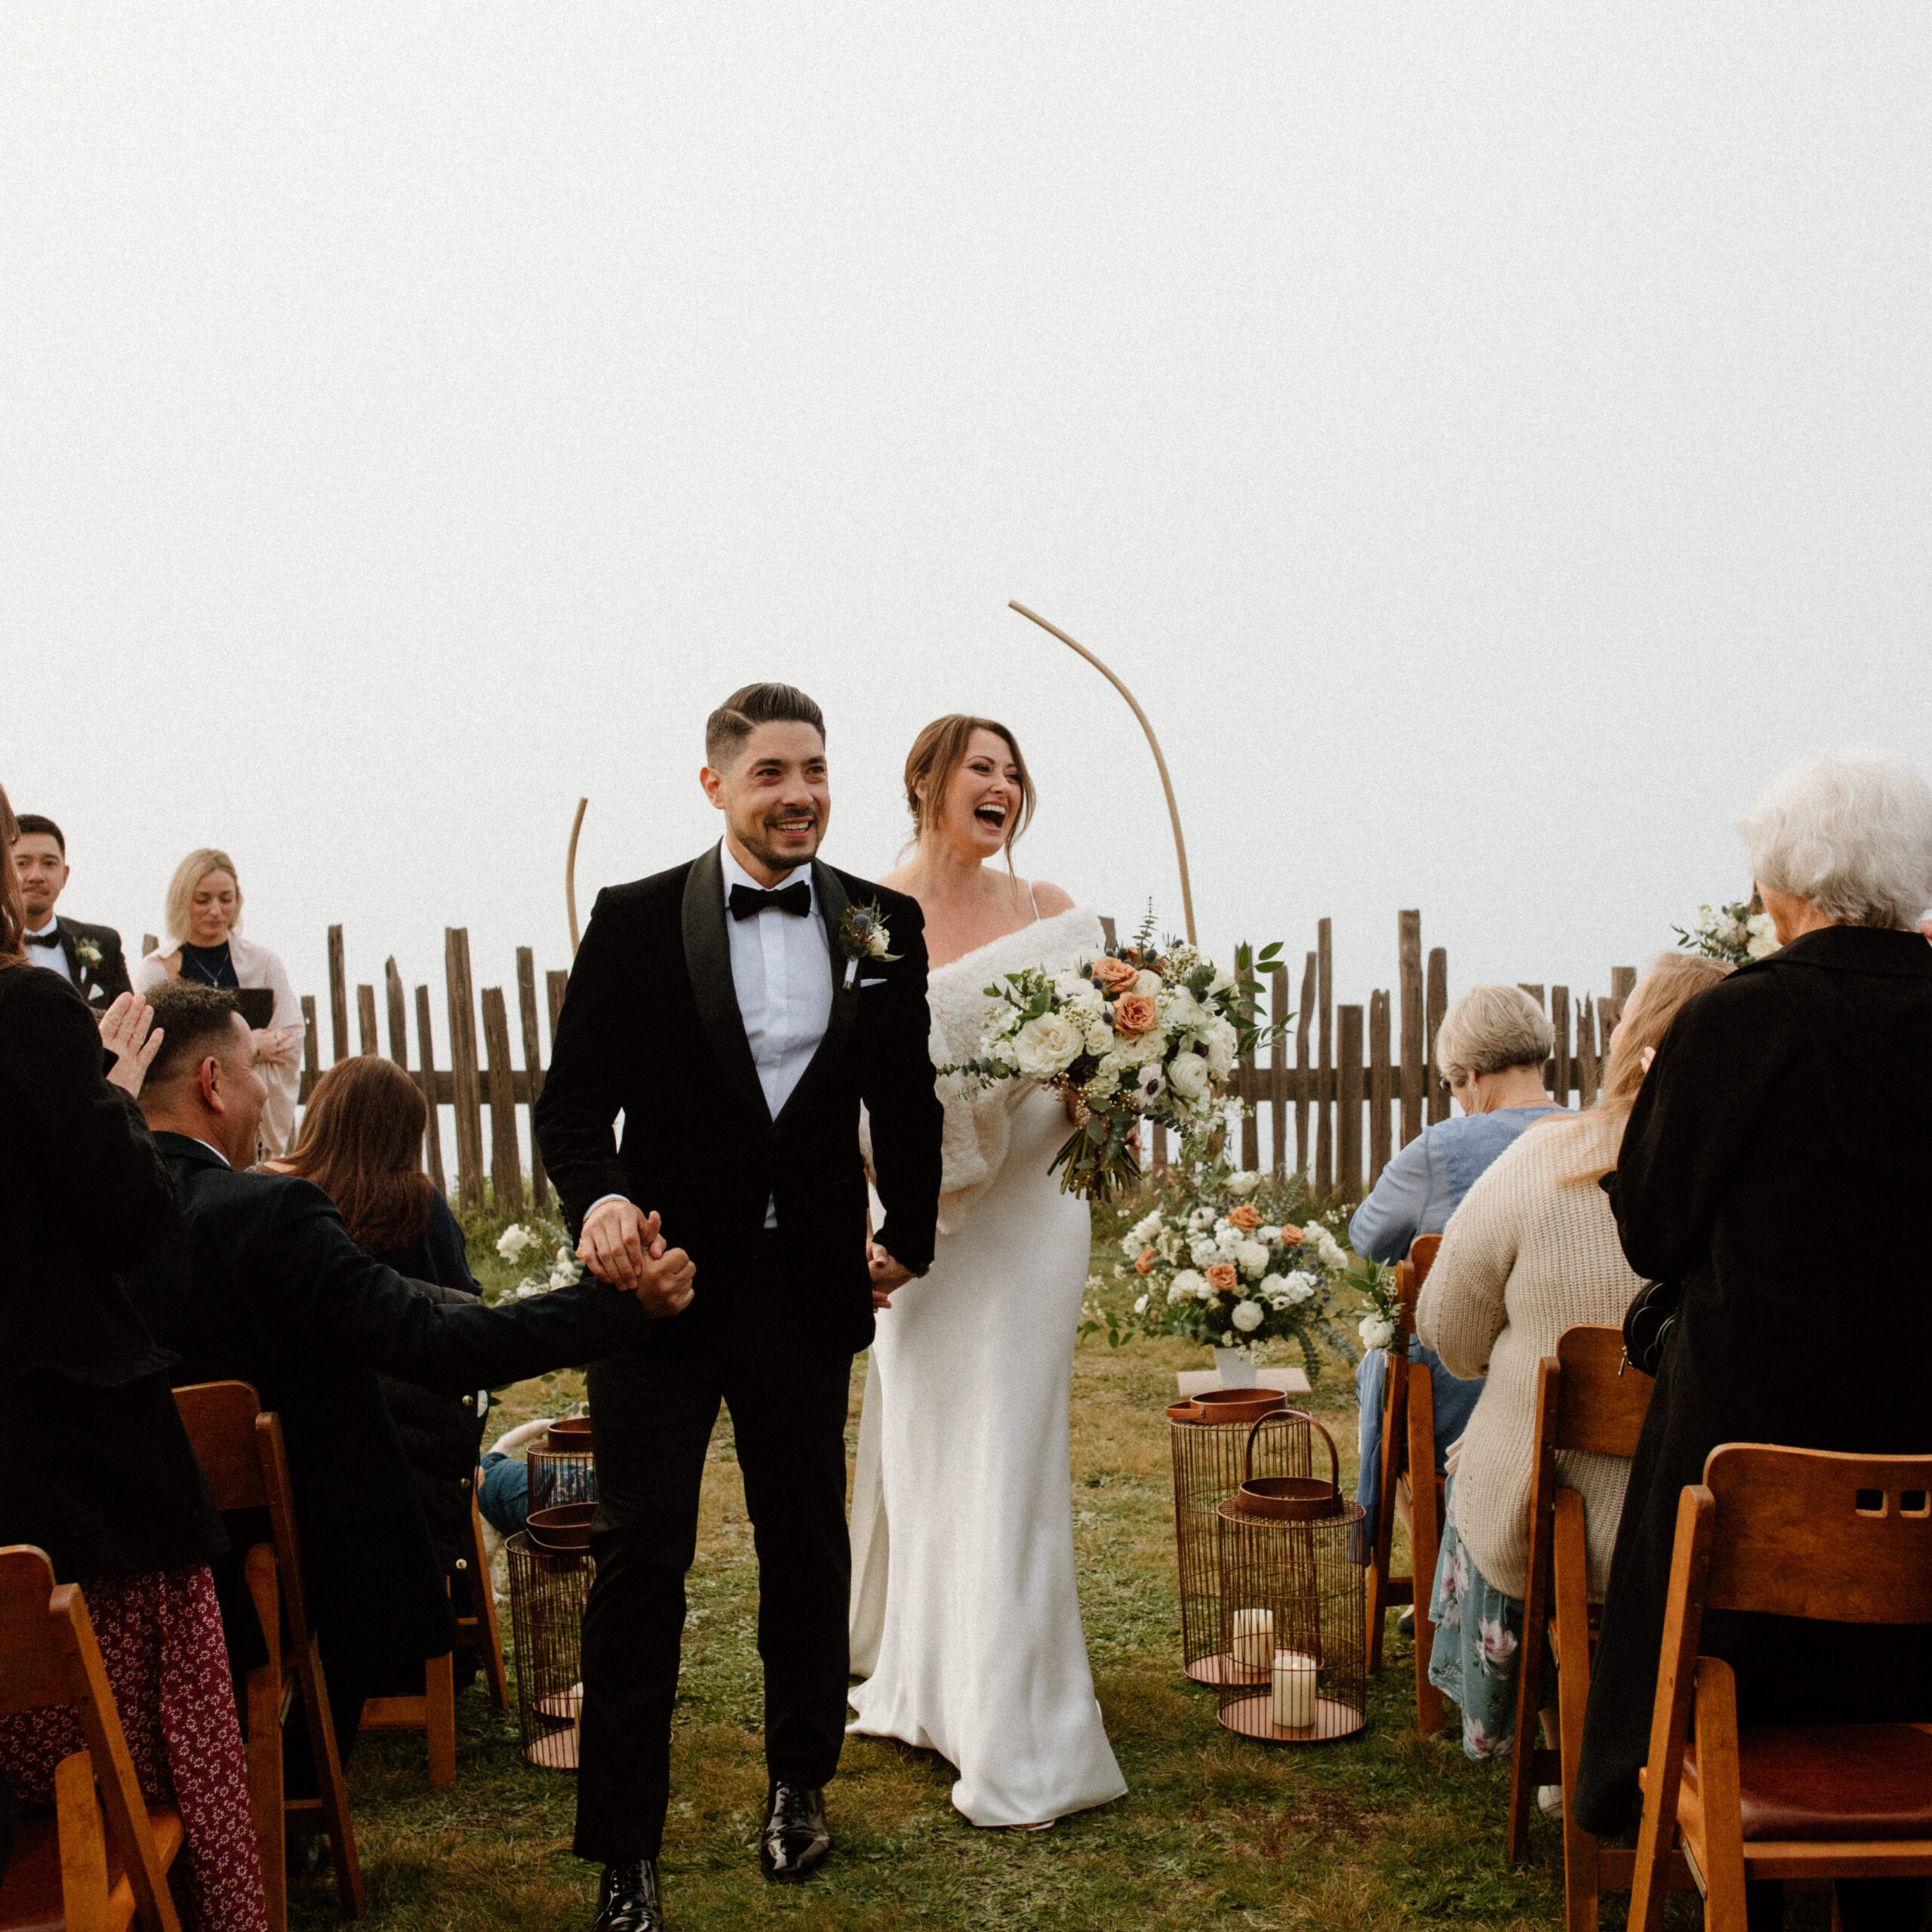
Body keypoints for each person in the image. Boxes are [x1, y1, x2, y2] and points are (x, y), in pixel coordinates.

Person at [534, 681, 943, 1932]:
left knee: (804, 1552)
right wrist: (600, 1208)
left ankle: (799, 1785)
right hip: (659, 1292)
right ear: (716, 786)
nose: (800, 794)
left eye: (814, 770)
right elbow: (570, 1113)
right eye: (771, 773)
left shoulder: (881, 921)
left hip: (806, 1290)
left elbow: (907, 1099)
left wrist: (907, 1236)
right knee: (639, 1565)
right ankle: (625, 1854)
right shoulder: (636, 917)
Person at [120, 983, 694, 1796]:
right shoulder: (267, 1217)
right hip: (282, 1573)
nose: (262, 1090)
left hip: (115, 1572)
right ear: (213, 1082)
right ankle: (296, 1800)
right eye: (254, 1070)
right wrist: (619, 1308)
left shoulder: (67, 1226)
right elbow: (437, 1342)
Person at [1577, 748, 1932, 1932]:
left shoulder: (1739, 1021)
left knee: (1711, 1606)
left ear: (1789, 880)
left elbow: (1651, 1227)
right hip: (1922, 1493)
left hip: (1749, 1474)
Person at [845, 715, 1128, 1829]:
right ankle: (927, 1686)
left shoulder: (1050, 913)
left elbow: (1110, 1054)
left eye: (1015, 772)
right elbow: (852, 1061)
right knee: (924, 1445)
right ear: (927, 780)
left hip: (1036, 1216)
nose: (1002, 785)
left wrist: (1103, 1091)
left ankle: (1019, 1718)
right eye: (982, 767)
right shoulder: (866, 911)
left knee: (1014, 1448)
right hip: (919, 1227)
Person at [0, 784, 267, 1932]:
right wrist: (108, 1093)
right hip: (67, 1470)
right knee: (139, 1748)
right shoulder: (30, 1015)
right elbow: (126, 1219)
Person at [1415, 953, 1729, 1764]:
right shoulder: (1774, 1182)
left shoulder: (1543, 1160)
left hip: (1560, 1525)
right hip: (1724, 1535)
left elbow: (1447, 1330)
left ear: (1632, 1042)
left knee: (1488, 1451)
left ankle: (1551, 1734)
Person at [264, 1054, 492, 1689]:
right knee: (497, 1476)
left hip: (298, 1463)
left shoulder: (271, 1200)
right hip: (412, 1468)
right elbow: (462, 1321)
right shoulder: (417, 1206)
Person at [1349, 985, 1564, 1569]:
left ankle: (1448, 1564)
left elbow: (1368, 1238)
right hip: (1574, 1392)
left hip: (1464, 1397)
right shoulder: (1595, 1134)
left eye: (1451, 1087)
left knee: (1382, 1367)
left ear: (1470, 1075)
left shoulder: (1441, 1149)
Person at [133, 847, 303, 1155]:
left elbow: (289, 1035)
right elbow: (151, 1046)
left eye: (226, 899)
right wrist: (251, 1047)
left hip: (247, 1111)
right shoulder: (156, 969)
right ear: (183, 899)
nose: (215, 910)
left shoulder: (265, 963)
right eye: (203, 900)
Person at [11, 812, 132, 1009]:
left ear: (65, 875)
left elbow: (128, 1022)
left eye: (49, 863)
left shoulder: (104, 943)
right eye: (22, 863)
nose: (36, 876)